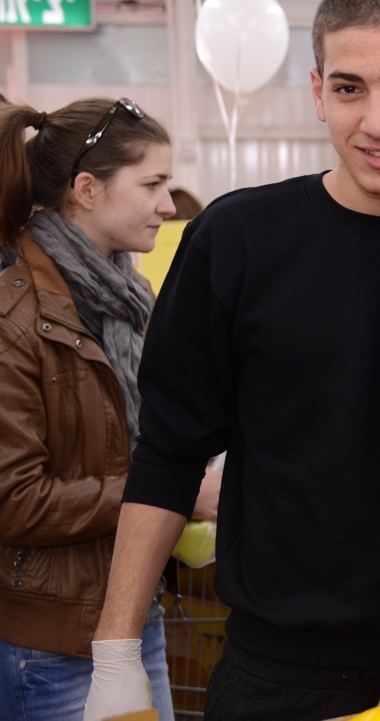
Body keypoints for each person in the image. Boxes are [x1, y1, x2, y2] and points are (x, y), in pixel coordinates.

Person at [85, 0, 380, 721]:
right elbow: (168, 453)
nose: (378, 121)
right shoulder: (237, 241)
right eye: (350, 89)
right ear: (318, 93)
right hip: (278, 674)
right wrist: (116, 649)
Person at [0, 96, 179, 721]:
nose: (168, 205)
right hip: (53, 643)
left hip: (133, 613)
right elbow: (14, 500)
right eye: (152, 184)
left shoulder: (129, 298)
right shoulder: (15, 318)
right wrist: (167, 490)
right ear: (87, 190)